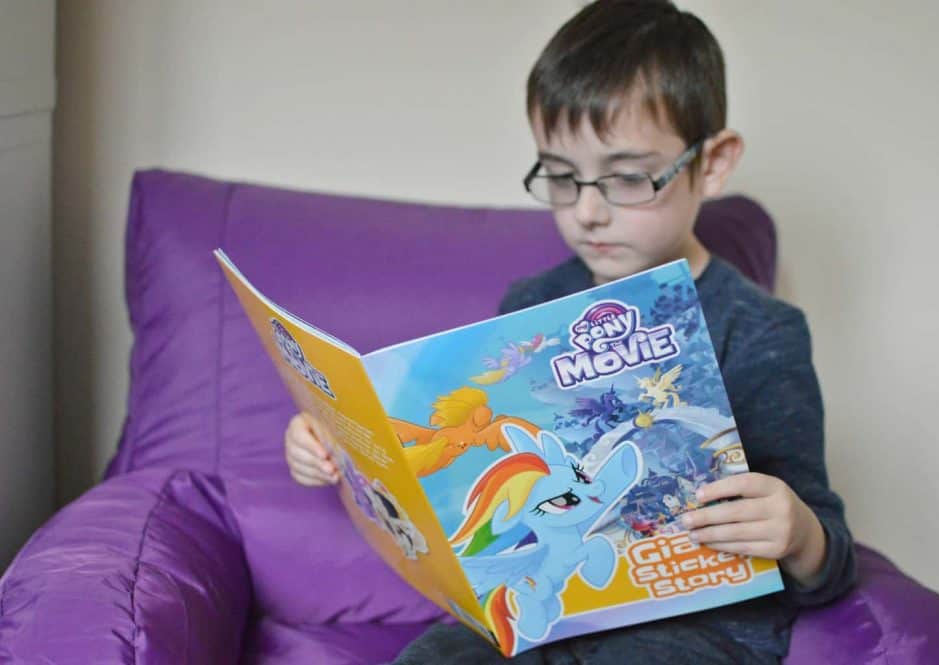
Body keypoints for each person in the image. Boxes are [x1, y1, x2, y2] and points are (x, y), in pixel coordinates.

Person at [285, 1, 856, 662]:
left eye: (627, 177)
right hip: (542, 607)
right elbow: (469, 461)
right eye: (560, 175)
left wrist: (799, 533)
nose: (587, 211)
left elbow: (833, 560)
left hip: (690, 628)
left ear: (715, 163)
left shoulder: (761, 330)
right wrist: (336, 444)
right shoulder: (532, 307)